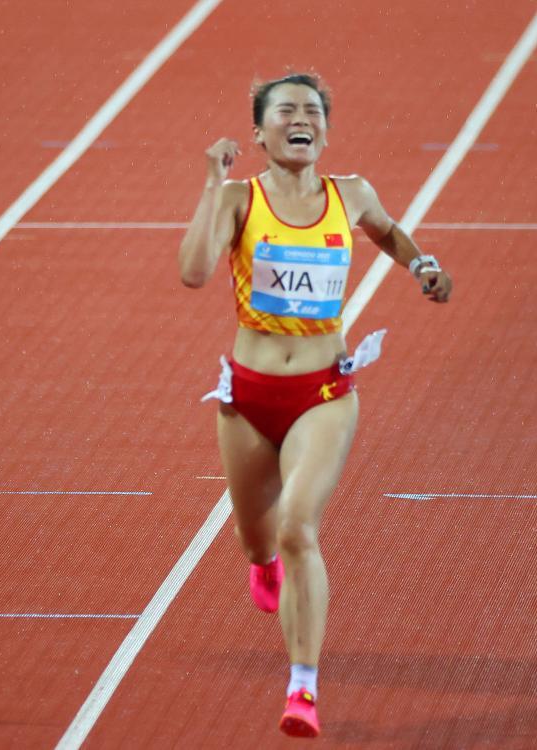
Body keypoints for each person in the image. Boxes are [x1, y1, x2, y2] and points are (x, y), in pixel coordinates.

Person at [178, 72, 452, 738]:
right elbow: (193, 271)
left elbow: (387, 233)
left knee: (299, 526)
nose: (299, 119)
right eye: (284, 111)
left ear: (324, 129)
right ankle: (261, 563)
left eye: (310, 111)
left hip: (323, 393)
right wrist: (212, 183)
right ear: (259, 133)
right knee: (256, 539)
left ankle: (302, 688)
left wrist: (420, 266)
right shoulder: (242, 198)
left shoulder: (350, 194)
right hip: (246, 397)